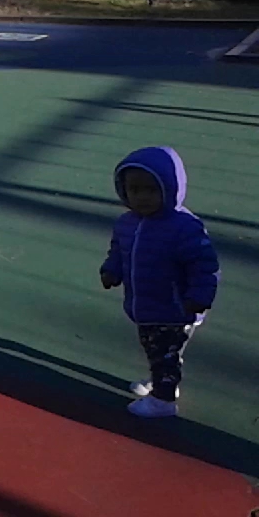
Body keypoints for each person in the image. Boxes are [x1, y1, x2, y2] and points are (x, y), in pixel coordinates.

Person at [101, 146, 220, 418]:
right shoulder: (127, 223)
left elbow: (204, 265)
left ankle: (163, 401)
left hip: (176, 309)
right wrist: (111, 270)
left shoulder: (184, 227)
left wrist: (199, 296)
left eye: (152, 190)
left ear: (171, 188)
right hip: (145, 306)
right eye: (134, 189)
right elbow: (118, 251)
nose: (142, 197)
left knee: (165, 353)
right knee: (156, 350)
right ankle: (162, 381)